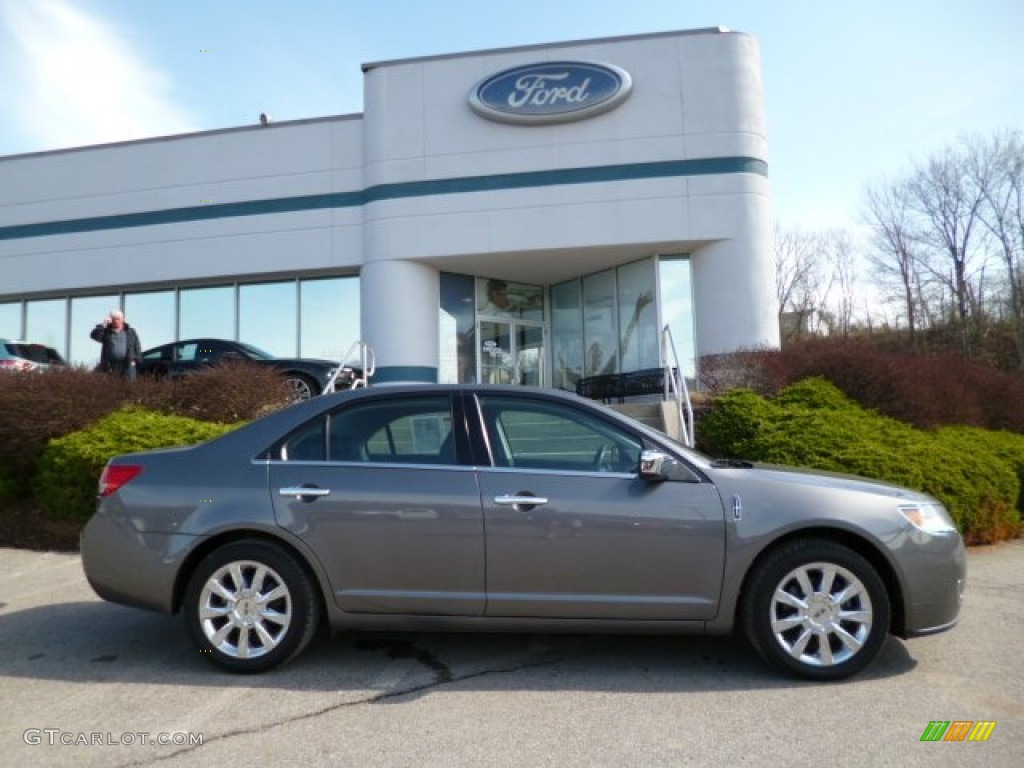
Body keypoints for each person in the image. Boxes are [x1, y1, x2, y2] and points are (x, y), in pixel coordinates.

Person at [91, 310, 142, 379]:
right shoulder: (106, 332)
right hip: (110, 366)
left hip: (128, 365)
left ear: (122, 319)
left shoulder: (130, 332)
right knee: (112, 387)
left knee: (129, 387)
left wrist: (136, 360)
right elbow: (94, 336)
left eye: (118, 319)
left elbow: (137, 346)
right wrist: (103, 325)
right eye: (114, 319)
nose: (116, 321)